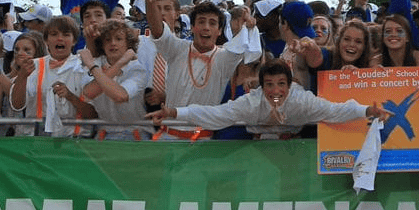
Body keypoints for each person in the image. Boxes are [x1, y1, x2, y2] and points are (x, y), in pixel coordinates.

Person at [148, 60, 389, 139]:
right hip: (258, 147)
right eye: (270, 85)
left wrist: (367, 111)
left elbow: (335, 111)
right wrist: (173, 113)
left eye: (281, 84)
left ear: (290, 85)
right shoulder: (251, 102)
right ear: (261, 86)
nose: (275, 91)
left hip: (292, 147)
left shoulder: (302, 101)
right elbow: (216, 115)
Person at [143, 0, 253, 113]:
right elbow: (158, 32)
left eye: (212, 23)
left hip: (204, 127)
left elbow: (241, 46)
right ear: (192, 27)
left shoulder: (224, 59)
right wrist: (150, 4)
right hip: (168, 125)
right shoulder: (177, 48)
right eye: (201, 22)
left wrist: (247, 25)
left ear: (219, 31)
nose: (206, 27)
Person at [9, 15, 95, 136]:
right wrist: (22, 77)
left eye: (66, 35)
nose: (60, 38)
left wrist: (71, 97)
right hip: (36, 141)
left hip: (73, 141)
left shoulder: (84, 67)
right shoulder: (33, 66)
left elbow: (93, 114)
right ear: (46, 40)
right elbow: (17, 105)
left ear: (74, 41)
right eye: (54, 34)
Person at [80, 19, 148, 140]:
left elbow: (120, 96)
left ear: (128, 44)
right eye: (107, 40)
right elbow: (89, 93)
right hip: (104, 135)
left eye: (118, 39)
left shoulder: (137, 69)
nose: (113, 43)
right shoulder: (96, 64)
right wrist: (119, 64)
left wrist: (92, 67)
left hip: (134, 135)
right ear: (102, 44)